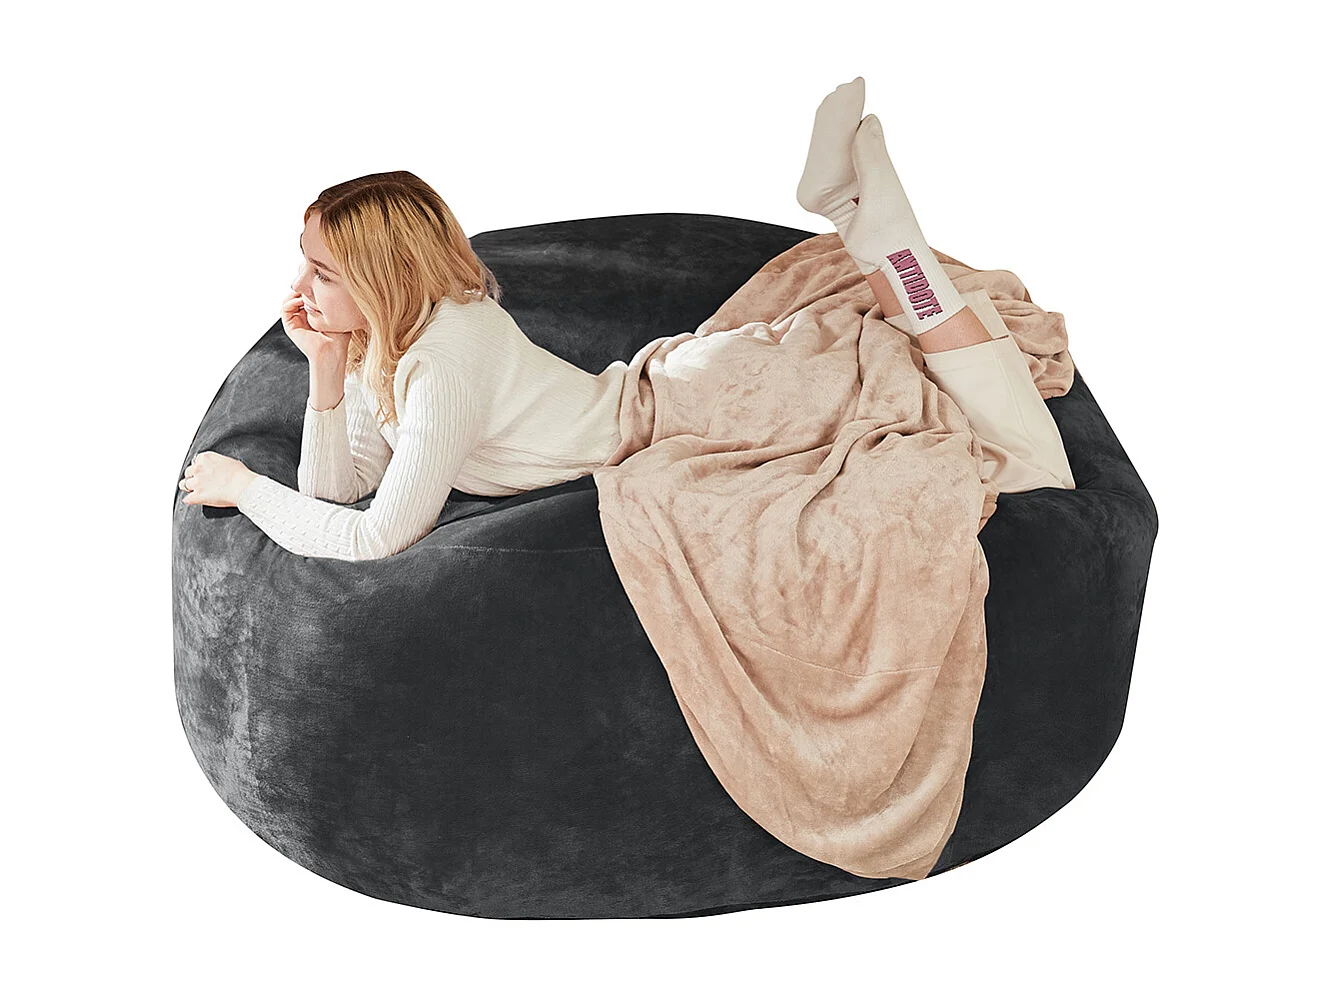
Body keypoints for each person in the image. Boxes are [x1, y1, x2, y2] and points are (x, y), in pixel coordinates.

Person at [178, 78, 1074, 562]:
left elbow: (377, 538)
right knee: (952, 402)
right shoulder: (395, 343)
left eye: (323, 271)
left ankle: (879, 231)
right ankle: (865, 224)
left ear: (382, 277)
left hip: (701, 415)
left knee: (1033, 471)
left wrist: (246, 489)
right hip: (684, 393)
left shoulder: (445, 358)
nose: (300, 286)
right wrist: (324, 370)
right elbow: (339, 491)